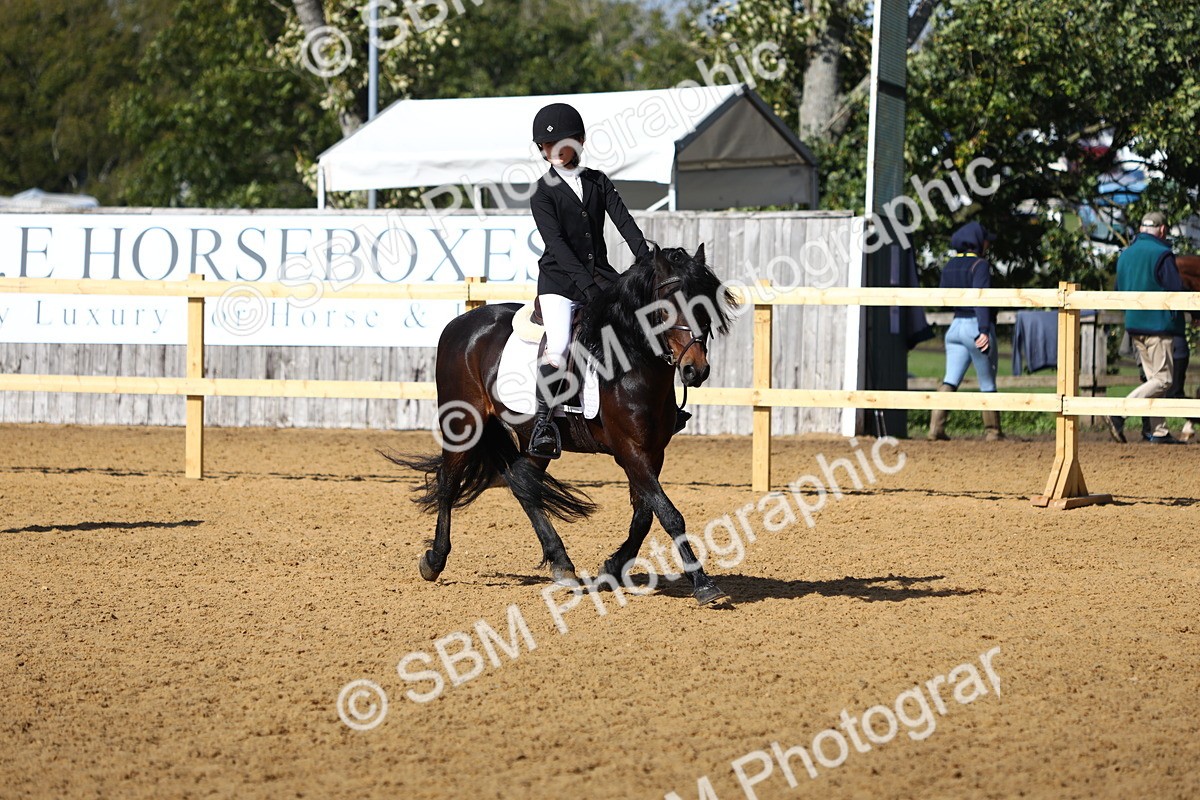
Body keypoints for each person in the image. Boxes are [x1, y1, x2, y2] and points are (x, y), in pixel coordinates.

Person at [527, 102, 650, 459]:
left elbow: (625, 223)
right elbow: (560, 248)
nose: (555, 151)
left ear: (580, 141)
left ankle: (650, 409)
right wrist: (591, 290)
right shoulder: (542, 192)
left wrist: (646, 260)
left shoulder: (598, 181)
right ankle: (543, 424)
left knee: (638, 330)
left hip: (603, 278)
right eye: (547, 147)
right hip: (559, 284)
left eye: (563, 143)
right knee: (560, 347)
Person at [1107, 211, 1185, 445]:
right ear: (1162, 230)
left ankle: (1158, 431)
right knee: (1163, 380)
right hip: (1158, 326)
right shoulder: (1162, 254)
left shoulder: (1125, 255)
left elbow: (1118, 291)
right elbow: (1177, 291)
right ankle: (1119, 413)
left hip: (1134, 326)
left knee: (1153, 379)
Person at [928, 221, 1004, 442]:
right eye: (986, 240)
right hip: (975, 326)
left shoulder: (950, 264)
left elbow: (943, 297)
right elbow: (981, 298)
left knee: (950, 380)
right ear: (978, 241)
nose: (988, 244)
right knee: (987, 382)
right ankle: (993, 431)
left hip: (955, 327)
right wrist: (983, 330)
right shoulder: (980, 265)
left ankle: (935, 429)